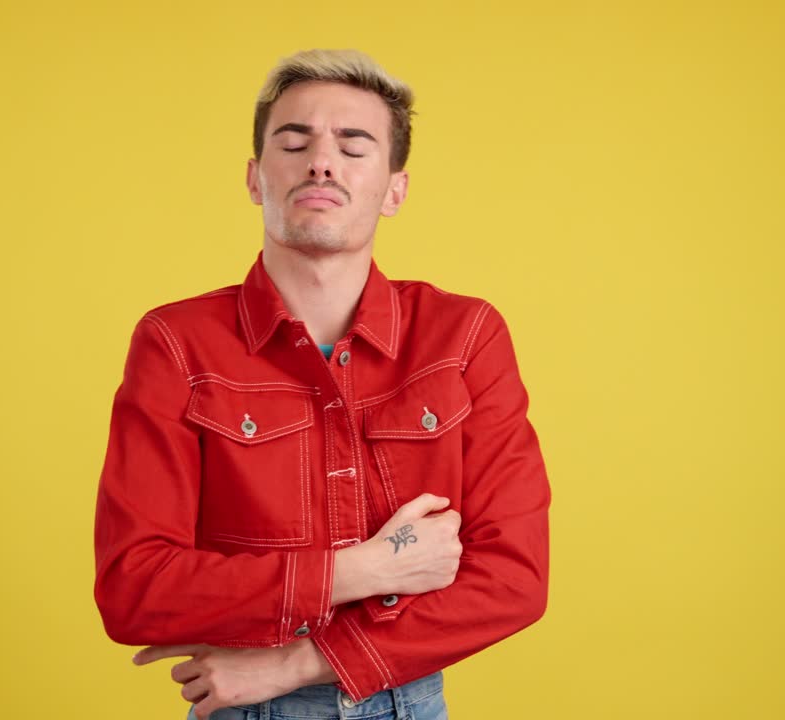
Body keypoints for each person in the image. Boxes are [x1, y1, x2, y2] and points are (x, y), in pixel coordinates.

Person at [93, 48, 551, 720]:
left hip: (398, 702)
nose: (322, 162)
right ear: (255, 178)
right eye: (294, 140)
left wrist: (295, 664)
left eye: (354, 144)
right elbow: (134, 588)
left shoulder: (464, 338)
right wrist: (366, 568)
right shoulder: (175, 343)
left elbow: (515, 579)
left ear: (395, 188)